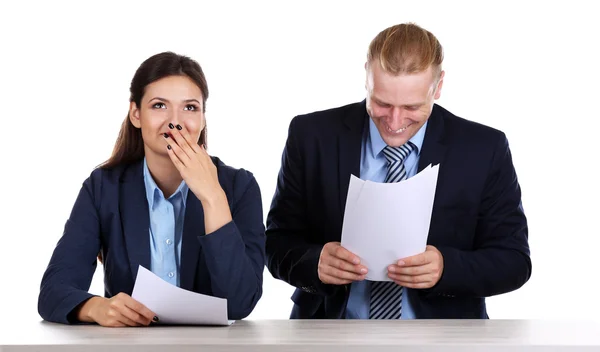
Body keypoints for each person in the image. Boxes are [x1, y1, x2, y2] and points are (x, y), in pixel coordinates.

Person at [265, 23, 531, 319]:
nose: (394, 121)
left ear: (438, 86)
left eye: (412, 107)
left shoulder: (483, 148)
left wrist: (446, 267)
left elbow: (514, 261)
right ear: (366, 75)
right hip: (330, 330)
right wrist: (315, 263)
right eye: (381, 103)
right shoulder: (311, 136)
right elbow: (276, 243)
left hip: (443, 337)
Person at [38, 52, 266, 326]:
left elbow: (240, 303)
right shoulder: (103, 188)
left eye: (190, 107)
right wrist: (96, 307)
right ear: (136, 114)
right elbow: (53, 292)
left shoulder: (240, 187)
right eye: (159, 106)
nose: (175, 120)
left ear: (203, 118)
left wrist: (213, 198)